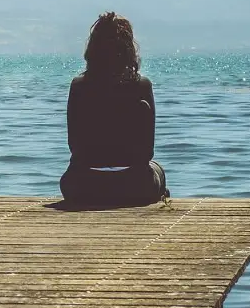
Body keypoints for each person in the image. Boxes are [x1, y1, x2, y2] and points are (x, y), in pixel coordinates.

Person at [60, 11, 169, 206]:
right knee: (157, 169)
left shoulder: (78, 86)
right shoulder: (142, 86)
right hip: (135, 185)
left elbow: (74, 146)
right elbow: (147, 152)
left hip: (83, 185)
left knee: (69, 177)